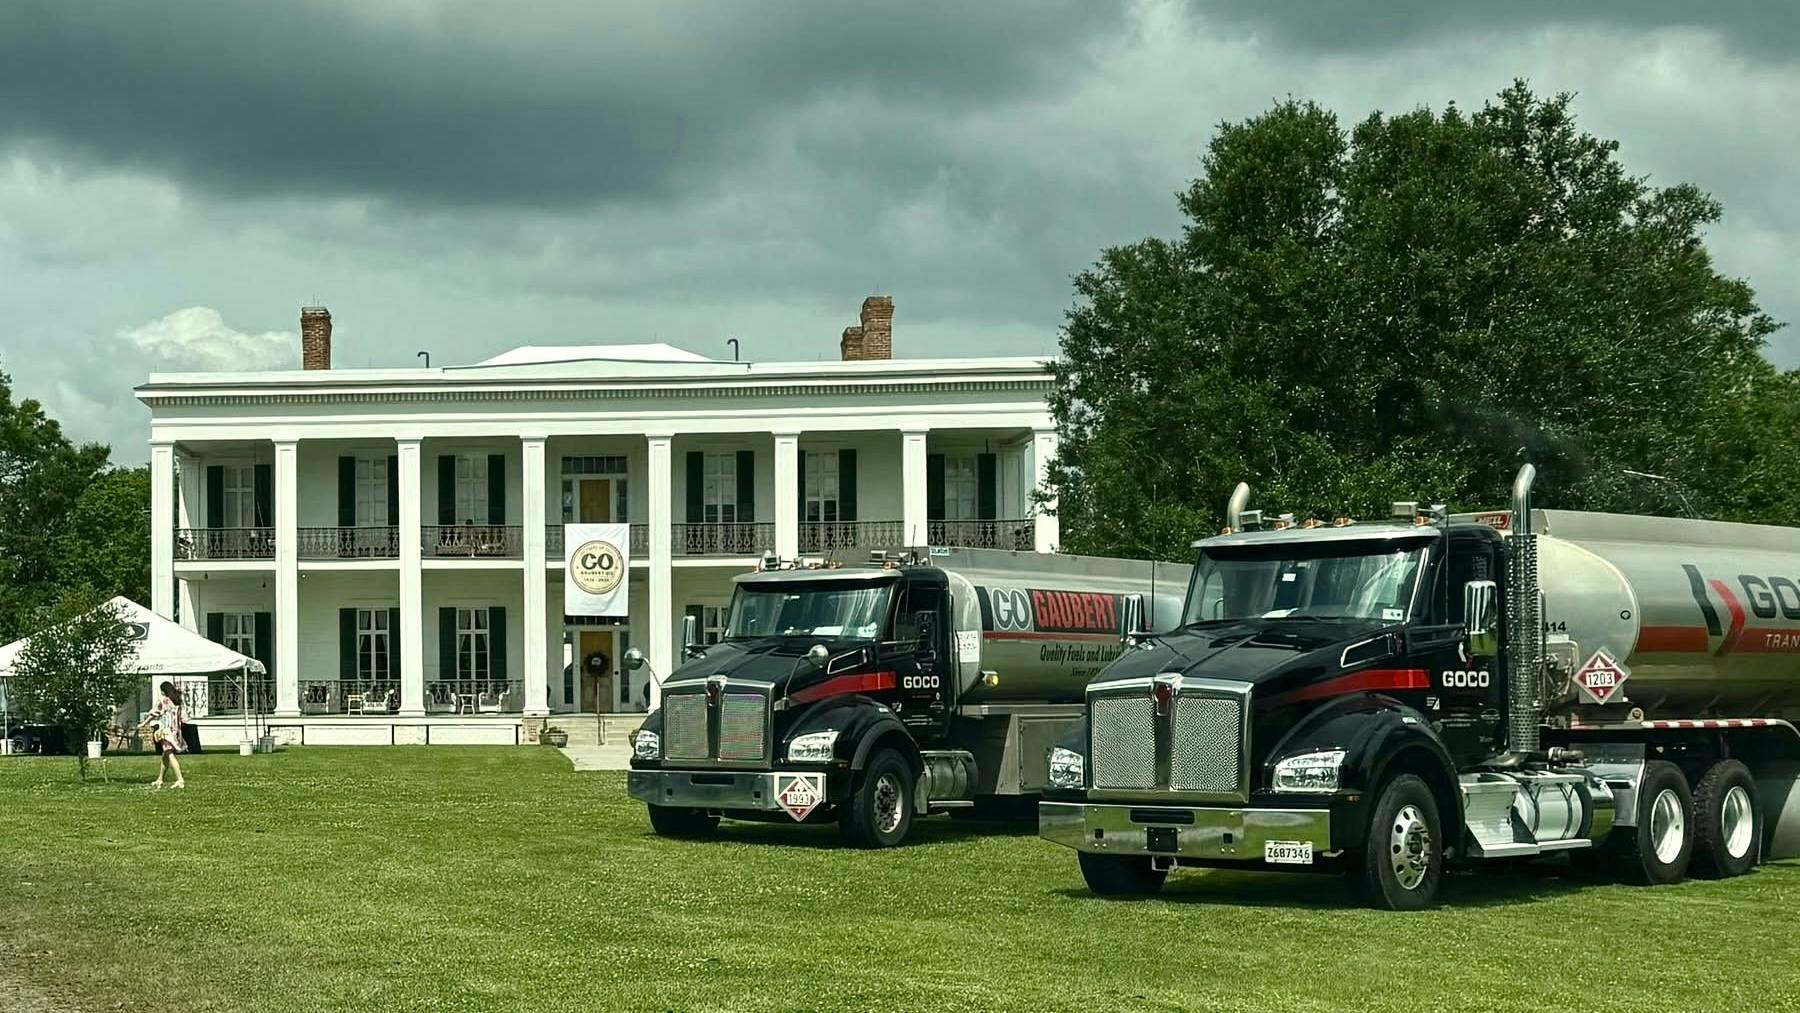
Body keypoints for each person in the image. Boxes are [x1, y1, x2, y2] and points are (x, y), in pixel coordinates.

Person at [148, 681, 186, 790]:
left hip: (166, 731)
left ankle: (180, 779)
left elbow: (154, 714)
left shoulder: (163, 701)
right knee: (165, 755)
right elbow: (183, 718)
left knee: (169, 754)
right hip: (176, 731)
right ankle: (160, 779)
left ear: (164, 691)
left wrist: (143, 723)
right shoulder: (177, 701)